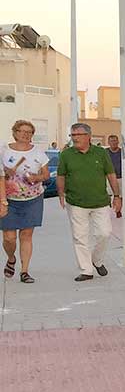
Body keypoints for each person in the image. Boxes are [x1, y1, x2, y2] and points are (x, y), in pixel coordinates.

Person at [57, 123, 121, 281]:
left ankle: (96, 260)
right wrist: (61, 194)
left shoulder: (100, 153)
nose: (75, 138)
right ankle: (86, 270)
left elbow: (111, 174)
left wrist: (117, 196)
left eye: (78, 135)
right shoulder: (66, 155)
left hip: (100, 201)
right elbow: (61, 176)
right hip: (76, 202)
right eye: (73, 135)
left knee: (104, 233)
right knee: (80, 236)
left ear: (88, 136)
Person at [2, 120, 51, 283]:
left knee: (26, 235)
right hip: (8, 200)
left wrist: (36, 177)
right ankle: (11, 258)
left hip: (33, 199)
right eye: (22, 131)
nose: (25, 134)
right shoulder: (4, 150)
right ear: (15, 132)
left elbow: (46, 175)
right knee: (9, 238)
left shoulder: (38, 153)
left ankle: (25, 271)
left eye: (29, 132)